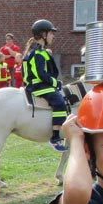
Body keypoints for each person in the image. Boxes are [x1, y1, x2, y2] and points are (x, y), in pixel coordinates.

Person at [23, 19, 68, 152]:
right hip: (37, 86)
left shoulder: (40, 51)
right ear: (43, 34)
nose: (53, 36)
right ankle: (55, 138)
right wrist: (55, 83)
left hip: (41, 84)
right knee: (59, 102)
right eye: (51, 33)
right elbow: (40, 74)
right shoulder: (37, 53)